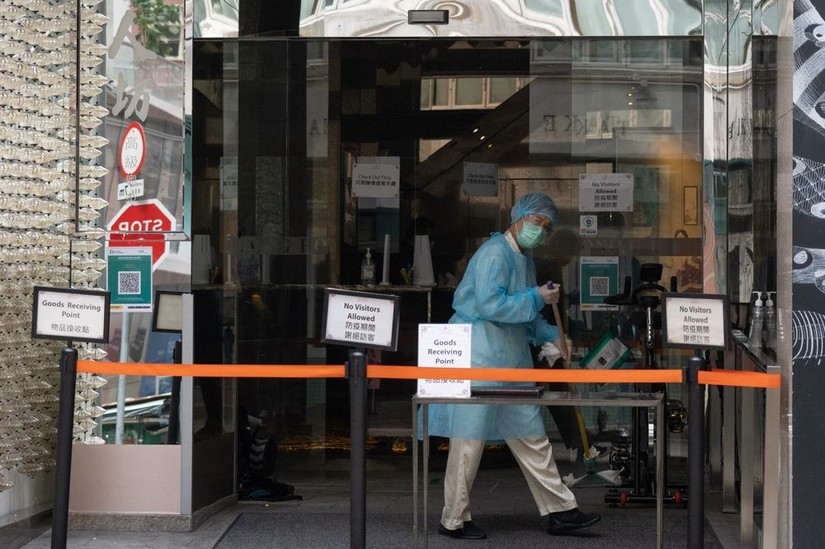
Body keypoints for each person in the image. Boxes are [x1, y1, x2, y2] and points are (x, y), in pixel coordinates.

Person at [428, 192, 601, 540]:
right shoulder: (494, 254)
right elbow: (492, 306)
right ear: (518, 217)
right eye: (537, 222)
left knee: (532, 436)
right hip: (480, 358)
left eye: (546, 226)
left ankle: (561, 511)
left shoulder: (523, 258)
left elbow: (525, 315)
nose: (541, 230)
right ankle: (453, 519)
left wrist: (553, 334)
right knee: (469, 442)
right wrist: (536, 297)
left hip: (509, 362)